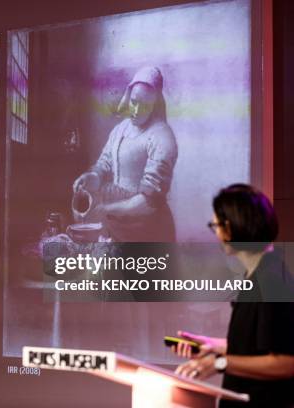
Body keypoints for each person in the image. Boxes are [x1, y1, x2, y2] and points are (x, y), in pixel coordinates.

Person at [173, 184, 294, 407]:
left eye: (216, 226)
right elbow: (258, 347)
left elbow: (286, 362)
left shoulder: (272, 281)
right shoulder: (258, 276)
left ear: (232, 227)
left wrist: (219, 363)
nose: (216, 234)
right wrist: (212, 346)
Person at [73, 66, 178, 242]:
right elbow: (104, 166)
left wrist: (107, 209)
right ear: (128, 97)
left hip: (149, 230)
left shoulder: (162, 136)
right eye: (134, 102)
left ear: (155, 105)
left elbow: (149, 202)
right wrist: (90, 177)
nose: (136, 110)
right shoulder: (120, 129)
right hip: (118, 227)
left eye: (145, 105)